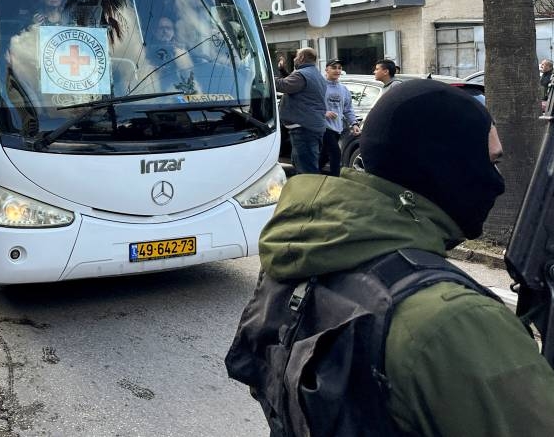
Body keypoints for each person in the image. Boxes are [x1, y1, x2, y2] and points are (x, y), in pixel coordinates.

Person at [228, 79, 554, 436]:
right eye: (491, 161)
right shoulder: (457, 320)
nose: (498, 181)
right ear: (443, 165)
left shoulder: (306, 252)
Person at [275, 48, 327, 174]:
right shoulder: (313, 73)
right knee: (302, 164)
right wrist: (282, 70)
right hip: (310, 127)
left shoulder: (302, 74)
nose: (294, 59)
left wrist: (265, 77)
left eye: (296, 56)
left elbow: (284, 86)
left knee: (307, 170)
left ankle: (311, 193)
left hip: (304, 129)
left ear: (302, 58)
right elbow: (294, 85)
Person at [319, 59, 359, 176]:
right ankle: (336, 180)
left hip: (337, 128)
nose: (337, 70)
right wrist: (324, 112)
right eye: (334, 67)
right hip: (323, 127)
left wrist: (354, 124)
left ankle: (311, 174)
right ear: (326, 70)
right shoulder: (320, 86)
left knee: (324, 155)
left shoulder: (344, 89)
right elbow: (310, 104)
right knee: (335, 153)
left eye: (339, 68)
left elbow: (348, 109)